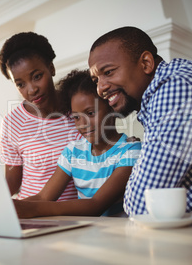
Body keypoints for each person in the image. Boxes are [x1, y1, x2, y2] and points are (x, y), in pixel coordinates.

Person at [88, 26, 192, 220]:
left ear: (146, 63)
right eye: (96, 80)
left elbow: (142, 205)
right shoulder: (174, 83)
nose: (100, 88)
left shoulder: (177, 88)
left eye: (108, 72)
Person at [13, 69, 141, 218]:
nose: (83, 124)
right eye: (76, 117)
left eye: (90, 113)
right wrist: (11, 207)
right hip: (84, 234)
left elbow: (95, 205)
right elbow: (43, 197)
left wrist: (30, 210)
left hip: (118, 237)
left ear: (112, 109)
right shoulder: (73, 151)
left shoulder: (130, 151)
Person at [0, 32, 81, 200]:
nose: (31, 90)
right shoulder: (12, 123)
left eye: (37, 77)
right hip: (31, 212)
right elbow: (13, 180)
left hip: (74, 213)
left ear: (51, 68)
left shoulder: (79, 109)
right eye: (20, 84)